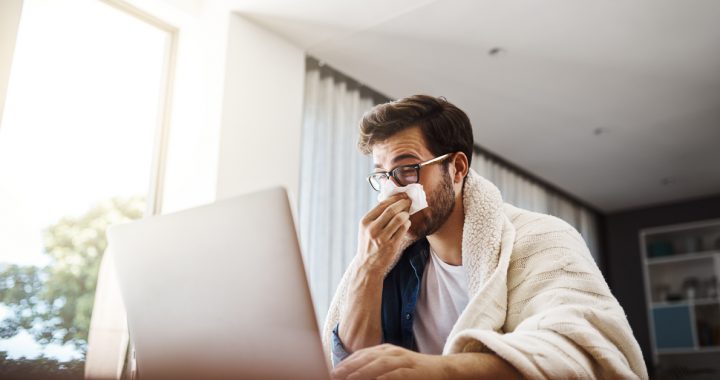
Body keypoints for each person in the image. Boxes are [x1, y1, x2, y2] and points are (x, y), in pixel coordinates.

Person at [323, 95, 647, 379]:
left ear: (457, 168)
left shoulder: (543, 239)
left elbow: (582, 352)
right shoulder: (390, 260)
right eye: (382, 175)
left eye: (408, 169)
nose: (392, 189)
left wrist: (437, 372)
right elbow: (352, 365)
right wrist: (369, 268)